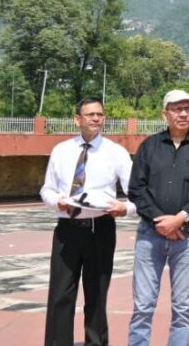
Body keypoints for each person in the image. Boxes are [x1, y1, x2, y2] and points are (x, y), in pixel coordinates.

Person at [127, 89, 189, 346]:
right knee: (143, 305)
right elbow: (136, 188)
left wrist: (180, 218)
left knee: (183, 308)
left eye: (187, 109)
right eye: (176, 109)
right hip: (150, 235)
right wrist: (161, 221)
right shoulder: (149, 146)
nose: (182, 113)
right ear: (165, 113)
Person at [39, 97, 135, 346]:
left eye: (99, 114)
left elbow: (136, 192)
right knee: (60, 295)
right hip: (67, 231)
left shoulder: (116, 152)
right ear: (77, 119)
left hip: (99, 229)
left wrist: (125, 208)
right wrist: (56, 202)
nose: (95, 118)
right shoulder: (61, 151)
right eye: (90, 114)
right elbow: (47, 189)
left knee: (96, 295)